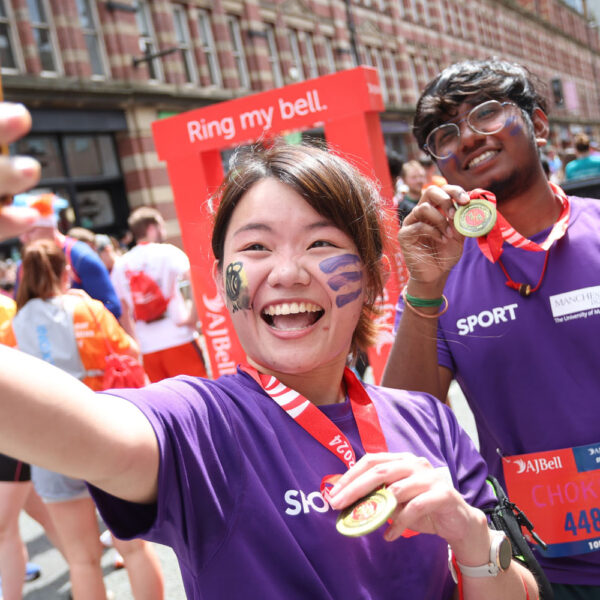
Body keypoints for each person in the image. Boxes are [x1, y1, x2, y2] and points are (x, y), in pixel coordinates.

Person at [0, 104, 539, 599]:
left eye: (321, 243)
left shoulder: (428, 422)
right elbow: (79, 426)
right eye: (255, 247)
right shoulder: (201, 426)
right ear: (217, 278)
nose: (286, 273)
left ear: (374, 277)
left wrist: (470, 538)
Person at [382, 58, 600, 598]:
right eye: (445, 133)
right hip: (546, 569)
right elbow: (404, 423)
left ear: (540, 124)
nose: (469, 137)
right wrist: (425, 287)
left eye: (487, 111)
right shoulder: (439, 277)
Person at [0, 238, 164, 600]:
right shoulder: (89, 310)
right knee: (134, 549)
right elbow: (131, 354)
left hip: (47, 452)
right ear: (65, 272)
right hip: (102, 432)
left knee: (81, 561)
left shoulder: (12, 326)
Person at [110, 206, 206, 382]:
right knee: (199, 395)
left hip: (148, 347)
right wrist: (193, 316)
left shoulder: (120, 264)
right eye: (162, 226)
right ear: (152, 228)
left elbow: (123, 308)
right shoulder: (168, 252)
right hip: (179, 337)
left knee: (166, 403)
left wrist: (135, 341)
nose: (164, 231)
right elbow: (197, 281)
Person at [14, 193, 122, 320]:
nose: (23, 238)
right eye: (21, 232)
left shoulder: (80, 256)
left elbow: (113, 307)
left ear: (51, 227)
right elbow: (19, 312)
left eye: (31, 230)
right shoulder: (23, 265)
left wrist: (84, 308)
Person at [396, 159, 426, 224]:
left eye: (421, 176)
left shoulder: (429, 198)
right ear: (404, 180)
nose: (418, 180)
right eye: (414, 177)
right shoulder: (402, 206)